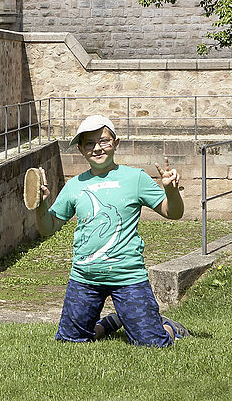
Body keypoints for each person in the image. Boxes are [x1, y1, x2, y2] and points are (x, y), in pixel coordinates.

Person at [31, 114, 190, 347]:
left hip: (128, 277)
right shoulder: (75, 185)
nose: (97, 148)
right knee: (70, 342)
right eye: (89, 143)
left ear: (116, 144)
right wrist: (40, 205)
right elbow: (48, 228)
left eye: (104, 141)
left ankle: (168, 326)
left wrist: (171, 191)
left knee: (153, 344)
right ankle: (110, 323)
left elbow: (173, 213)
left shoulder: (135, 178)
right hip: (84, 278)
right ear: (80, 150)